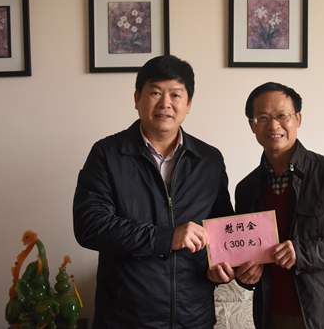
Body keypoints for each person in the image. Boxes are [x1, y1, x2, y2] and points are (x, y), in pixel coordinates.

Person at [73, 55, 234, 329]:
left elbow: (220, 226)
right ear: (137, 98)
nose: (165, 104)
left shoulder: (208, 160)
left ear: (189, 104)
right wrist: (167, 237)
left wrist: (220, 266)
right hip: (125, 318)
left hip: (192, 318)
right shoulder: (107, 154)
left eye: (176, 95)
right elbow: (90, 226)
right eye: (155, 93)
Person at [234, 82, 324, 329]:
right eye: (263, 118)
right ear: (252, 125)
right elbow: (244, 253)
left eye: (282, 116)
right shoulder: (247, 188)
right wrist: (246, 275)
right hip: (274, 316)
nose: (274, 126)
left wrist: (303, 253)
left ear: (298, 119)